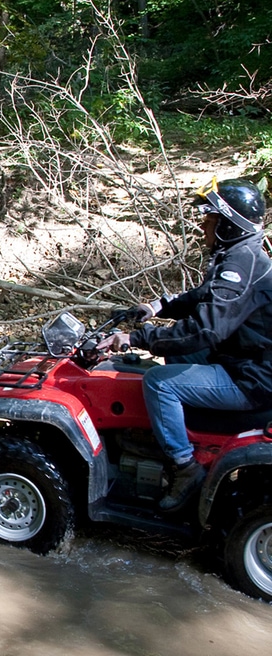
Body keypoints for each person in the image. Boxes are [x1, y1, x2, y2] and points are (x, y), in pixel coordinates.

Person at [100, 177, 272, 511]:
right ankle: (181, 434)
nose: (203, 227)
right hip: (245, 359)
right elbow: (204, 297)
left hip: (251, 378)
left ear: (228, 225)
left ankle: (184, 466)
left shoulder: (240, 265)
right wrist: (157, 307)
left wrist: (135, 339)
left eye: (209, 220)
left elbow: (205, 330)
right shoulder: (243, 255)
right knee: (180, 353)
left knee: (158, 382)